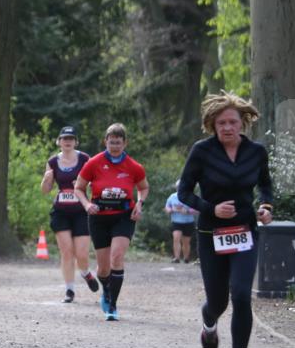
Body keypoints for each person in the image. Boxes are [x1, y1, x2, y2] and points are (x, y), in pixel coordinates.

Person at [178, 92, 273, 348]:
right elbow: (184, 192)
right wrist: (211, 208)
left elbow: (266, 186)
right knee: (217, 301)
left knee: (242, 295)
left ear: (242, 123)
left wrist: (266, 207)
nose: (227, 128)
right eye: (221, 123)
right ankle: (209, 323)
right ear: (212, 125)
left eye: (232, 122)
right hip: (211, 234)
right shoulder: (202, 151)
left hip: (244, 232)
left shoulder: (256, 152)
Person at [74, 123, 149, 321]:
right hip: (98, 217)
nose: (114, 146)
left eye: (118, 142)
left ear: (125, 143)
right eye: (111, 142)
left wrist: (139, 204)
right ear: (105, 141)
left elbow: (144, 188)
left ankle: (113, 305)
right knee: (103, 268)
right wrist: (86, 204)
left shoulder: (134, 166)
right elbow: (79, 188)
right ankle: (106, 290)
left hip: (123, 217)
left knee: (117, 257)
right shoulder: (94, 163)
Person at [41, 126, 99, 303]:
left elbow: (95, 183)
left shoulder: (85, 159)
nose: (67, 141)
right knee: (66, 251)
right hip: (61, 212)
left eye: (71, 138)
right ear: (59, 141)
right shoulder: (52, 162)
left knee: (81, 254)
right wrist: (46, 179)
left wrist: (86, 186)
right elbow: (45, 190)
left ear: (76, 142)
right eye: (64, 138)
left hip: (81, 211)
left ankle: (86, 273)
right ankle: (69, 290)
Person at [165, 180, 198, 263]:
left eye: (181, 187)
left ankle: (186, 258)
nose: (179, 188)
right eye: (178, 187)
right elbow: (167, 207)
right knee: (176, 238)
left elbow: (197, 209)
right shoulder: (172, 197)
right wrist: (171, 210)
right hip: (176, 221)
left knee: (186, 242)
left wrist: (187, 211)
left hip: (188, 222)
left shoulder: (190, 196)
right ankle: (177, 258)